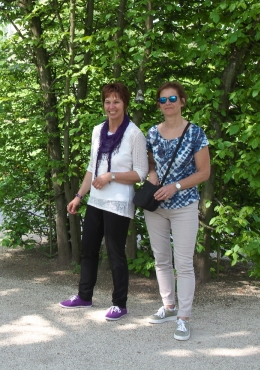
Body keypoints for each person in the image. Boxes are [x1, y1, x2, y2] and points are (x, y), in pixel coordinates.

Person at [59, 82, 148, 321]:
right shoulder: (98, 131)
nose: (112, 106)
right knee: (88, 249)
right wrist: (79, 196)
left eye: (116, 101)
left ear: (125, 104)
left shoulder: (134, 134)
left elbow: (141, 173)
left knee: (115, 252)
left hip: (118, 202)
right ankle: (84, 296)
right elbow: (92, 168)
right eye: (108, 101)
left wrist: (112, 176)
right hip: (96, 201)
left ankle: (119, 304)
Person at [144, 81, 210, 341]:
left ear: (182, 101)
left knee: (183, 264)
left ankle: (184, 318)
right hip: (156, 206)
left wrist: (176, 186)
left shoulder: (195, 133)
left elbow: (204, 173)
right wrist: (152, 174)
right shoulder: (152, 133)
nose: (168, 103)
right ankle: (169, 307)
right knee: (161, 259)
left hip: (184, 206)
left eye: (173, 98)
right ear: (159, 105)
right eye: (163, 100)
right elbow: (150, 163)